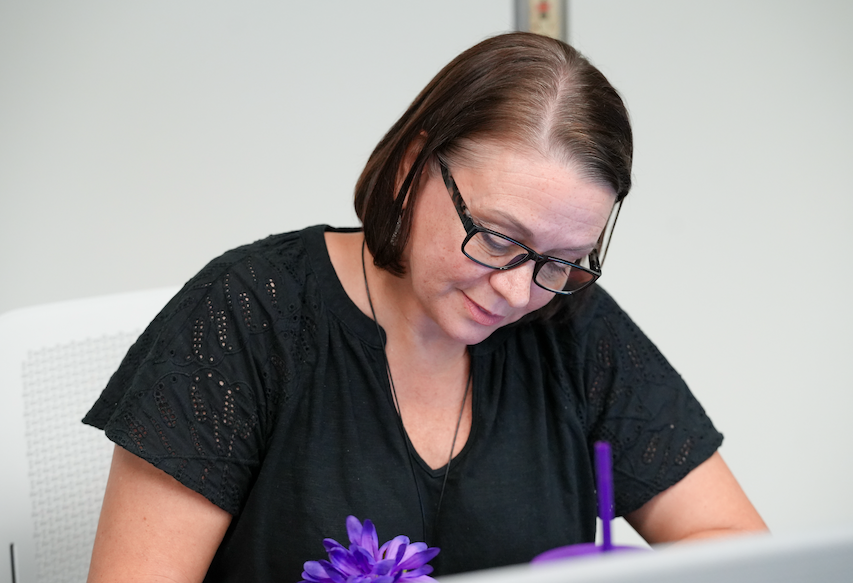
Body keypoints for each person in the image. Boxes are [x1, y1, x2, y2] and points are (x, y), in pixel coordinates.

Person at [83, 32, 767, 582]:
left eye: (560, 260)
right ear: (412, 170)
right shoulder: (248, 316)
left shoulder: (573, 327)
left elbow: (736, 547)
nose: (517, 291)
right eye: (497, 238)